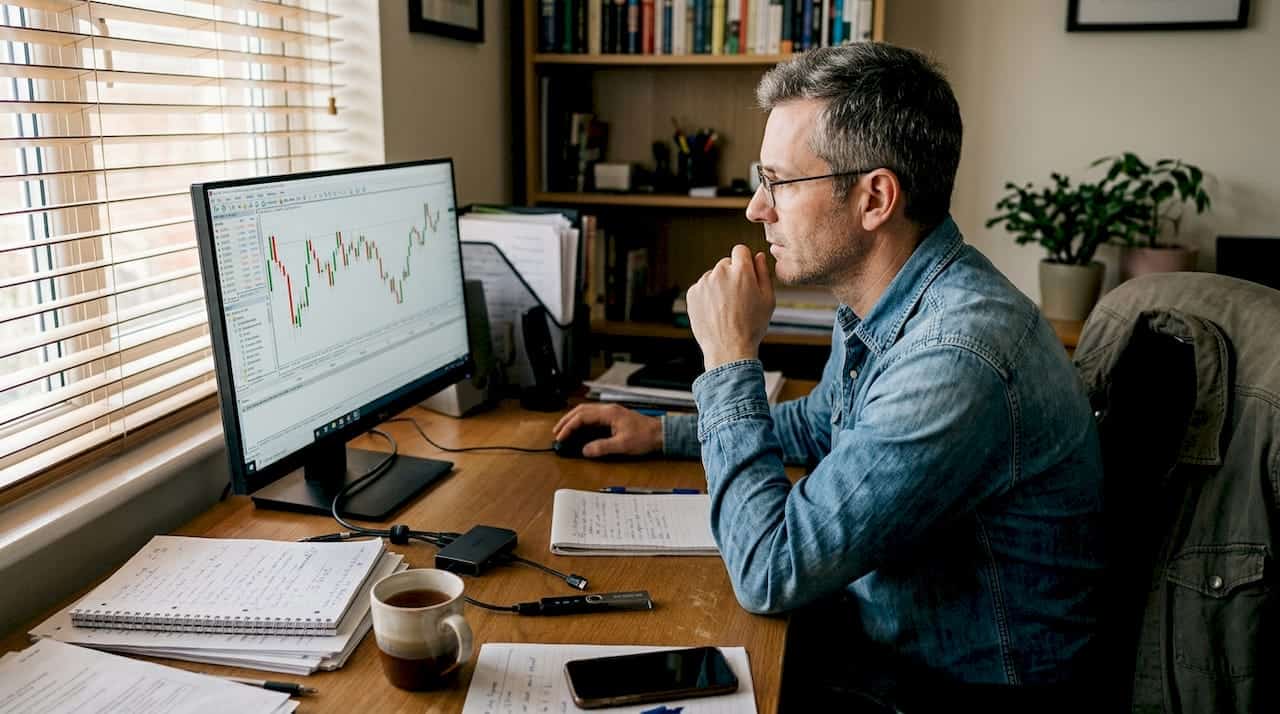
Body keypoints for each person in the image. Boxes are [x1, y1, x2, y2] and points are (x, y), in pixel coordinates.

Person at [555, 44, 1105, 709]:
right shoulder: (891, 299)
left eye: (778, 182)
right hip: (886, 645)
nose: (756, 209)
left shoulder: (955, 357)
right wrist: (660, 433)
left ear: (875, 198)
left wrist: (729, 358)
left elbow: (769, 572)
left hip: (946, 692)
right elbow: (823, 423)